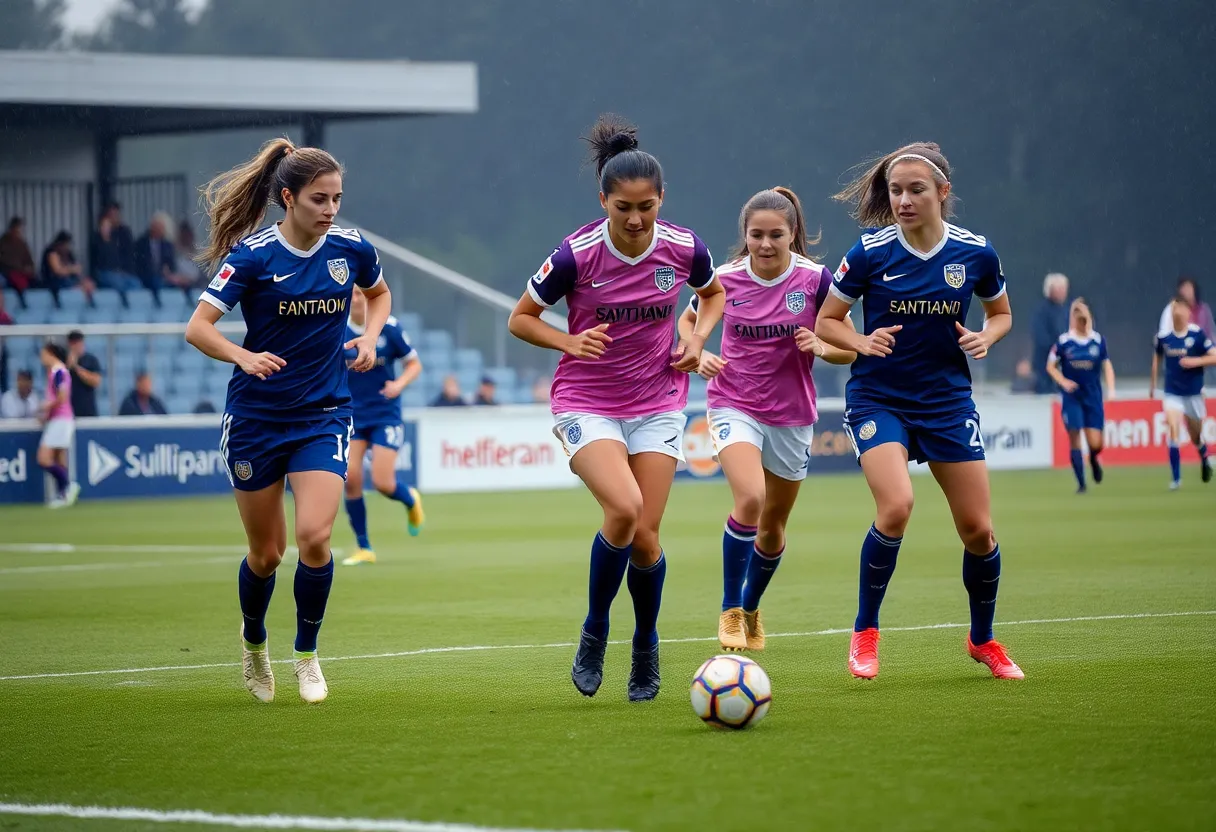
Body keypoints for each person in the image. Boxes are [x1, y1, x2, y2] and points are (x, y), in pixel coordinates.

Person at [508, 114, 725, 701]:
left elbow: (713, 294)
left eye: (646, 207)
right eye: (622, 207)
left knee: (647, 538)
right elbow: (520, 318)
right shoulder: (576, 254)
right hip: (587, 400)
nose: (634, 219)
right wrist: (569, 340)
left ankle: (646, 645)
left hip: (658, 402)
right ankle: (596, 629)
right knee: (625, 509)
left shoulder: (684, 248)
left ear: (661, 201)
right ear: (603, 199)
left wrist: (698, 338)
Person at [184, 137, 392, 704]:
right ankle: (254, 643)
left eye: (337, 199)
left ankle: (307, 655)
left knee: (316, 538)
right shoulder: (252, 257)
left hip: (324, 414)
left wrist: (370, 337)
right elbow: (198, 327)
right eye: (319, 199)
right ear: (287, 198)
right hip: (256, 418)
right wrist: (243, 356)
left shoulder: (351, 249)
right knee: (267, 553)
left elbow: (379, 294)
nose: (330, 210)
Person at [815, 141, 1024, 681]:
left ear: (942, 193)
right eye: (895, 191)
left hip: (947, 401)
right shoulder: (868, 252)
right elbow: (827, 322)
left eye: (916, 190)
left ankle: (983, 640)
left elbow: (1000, 314)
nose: (903, 201)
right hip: (879, 399)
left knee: (978, 530)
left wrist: (985, 337)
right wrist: (861, 343)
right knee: (897, 506)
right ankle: (865, 633)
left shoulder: (976, 253)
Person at [676, 187, 855, 652]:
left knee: (774, 527)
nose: (766, 244)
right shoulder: (724, 279)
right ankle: (730, 609)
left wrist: (822, 346)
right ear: (745, 236)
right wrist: (701, 354)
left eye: (776, 234)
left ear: (792, 234)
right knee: (750, 497)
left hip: (792, 415)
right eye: (756, 235)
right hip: (733, 403)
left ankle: (752, 607)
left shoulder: (816, 280)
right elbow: (686, 322)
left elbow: (846, 345)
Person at [340, 289, 426, 566]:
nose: (355, 298)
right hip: (351, 414)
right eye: (350, 293)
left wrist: (399, 385)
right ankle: (364, 546)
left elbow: (413, 364)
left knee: (382, 483)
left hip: (384, 414)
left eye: (359, 293)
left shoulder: (388, 328)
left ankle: (410, 499)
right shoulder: (336, 327)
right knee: (351, 478)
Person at [1045, 299, 1115, 493]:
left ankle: (1093, 458)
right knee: (1074, 436)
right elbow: (1050, 366)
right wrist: (1063, 381)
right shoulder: (1064, 341)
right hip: (1072, 397)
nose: (1083, 322)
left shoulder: (1098, 341)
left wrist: (1111, 388)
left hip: (1092, 396)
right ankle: (1081, 483)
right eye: (1079, 318)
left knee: (1095, 442)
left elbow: (1106, 365)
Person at [1151, 295, 1215, 489]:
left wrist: (1194, 362)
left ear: (1188, 312)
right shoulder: (1164, 338)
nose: (1176, 311)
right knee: (1173, 429)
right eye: (1173, 308)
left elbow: (1213, 357)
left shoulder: (1197, 335)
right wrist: (1152, 386)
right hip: (1172, 393)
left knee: (1195, 435)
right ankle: (1176, 479)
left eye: (1179, 308)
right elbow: (1156, 360)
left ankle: (1204, 455)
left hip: (1193, 393)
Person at [36, 341, 80, 508]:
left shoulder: (59, 371)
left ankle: (68, 486)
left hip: (61, 420)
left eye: (43, 353)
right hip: (61, 419)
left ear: (50, 353)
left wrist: (46, 406)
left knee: (43, 458)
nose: (41, 357)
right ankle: (64, 495)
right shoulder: (57, 372)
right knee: (60, 458)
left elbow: (62, 396)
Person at [1032, 273, 1070, 394]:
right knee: (1045, 390)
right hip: (1045, 361)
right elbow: (1040, 336)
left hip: (1064, 361)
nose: (1063, 292)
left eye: (1064, 288)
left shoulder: (1066, 310)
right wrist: (1056, 348)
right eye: (1059, 289)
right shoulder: (1041, 310)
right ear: (1050, 290)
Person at [90, 211, 141, 292]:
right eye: (104, 226)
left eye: (108, 226)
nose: (106, 228)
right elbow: (96, 263)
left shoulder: (114, 243)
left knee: (136, 283)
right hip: (103, 273)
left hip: (117, 272)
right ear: (100, 227)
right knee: (119, 283)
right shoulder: (96, 242)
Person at [41, 232, 96, 301]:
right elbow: (57, 270)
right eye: (66, 244)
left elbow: (75, 268)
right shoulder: (52, 252)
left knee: (89, 283)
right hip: (55, 281)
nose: (67, 246)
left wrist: (78, 273)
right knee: (77, 286)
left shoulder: (68, 253)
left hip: (69, 279)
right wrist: (71, 269)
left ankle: (89, 301)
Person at [133, 213, 178, 294]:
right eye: (158, 227)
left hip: (163, 277)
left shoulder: (167, 245)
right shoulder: (141, 243)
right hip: (145, 276)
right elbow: (138, 262)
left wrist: (167, 270)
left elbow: (171, 264)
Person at [66, 330, 103, 418]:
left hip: (88, 411)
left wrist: (76, 367)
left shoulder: (91, 360)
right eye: (73, 343)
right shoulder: (63, 361)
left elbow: (96, 381)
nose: (75, 346)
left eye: (78, 342)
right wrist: (68, 366)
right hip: (69, 412)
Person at [0, 217, 37, 292]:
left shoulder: (22, 244)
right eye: (17, 228)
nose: (19, 231)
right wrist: (20, 268)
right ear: (11, 229)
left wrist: (29, 268)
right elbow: (4, 261)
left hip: (22, 273)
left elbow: (29, 260)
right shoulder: (3, 243)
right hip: (7, 273)